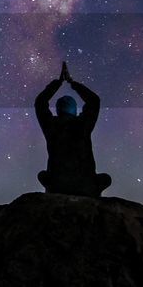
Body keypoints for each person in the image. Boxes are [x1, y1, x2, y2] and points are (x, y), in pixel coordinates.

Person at [34, 62, 112, 197]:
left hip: (57, 185)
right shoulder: (82, 124)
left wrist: (58, 83)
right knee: (105, 178)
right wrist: (72, 83)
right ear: (75, 110)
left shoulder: (51, 125)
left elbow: (40, 102)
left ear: (58, 110)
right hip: (87, 187)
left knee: (43, 175)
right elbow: (94, 101)